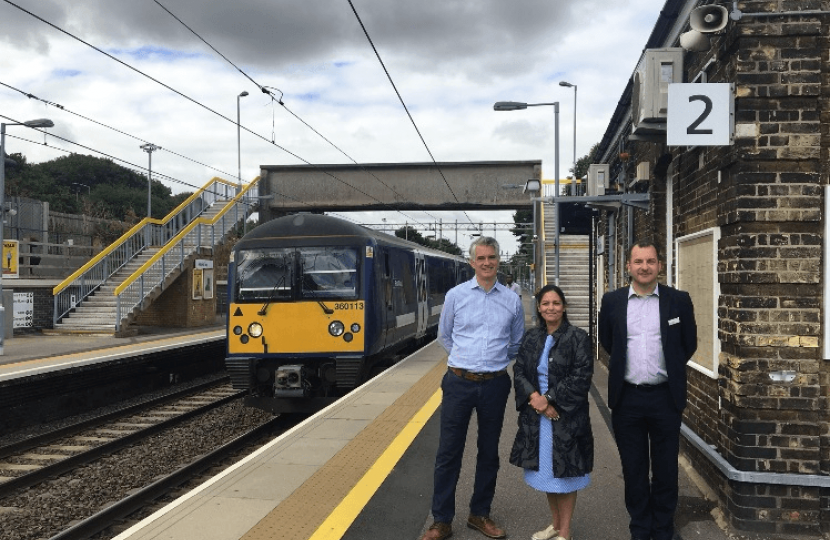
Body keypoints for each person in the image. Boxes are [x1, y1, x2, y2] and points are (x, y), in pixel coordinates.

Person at [420, 236, 525, 540]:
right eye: (481, 258)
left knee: (489, 452)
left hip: (494, 384)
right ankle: (441, 520)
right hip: (458, 382)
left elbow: (515, 344)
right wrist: (465, 362)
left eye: (492, 257)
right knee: (448, 452)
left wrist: (492, 362)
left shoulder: (511, 300)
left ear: (498, 260)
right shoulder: (456, 296)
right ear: (472, 262)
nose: (487, 263)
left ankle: (479, 514)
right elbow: (445, 336)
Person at [598, 242, 697, 540]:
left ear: (659, 265)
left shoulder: (678, 300)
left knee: (666, 469)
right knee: (634, 469)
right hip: (627, 399)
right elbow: (608, 342)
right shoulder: (613, 301)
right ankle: (640, 527)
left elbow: (687, 344)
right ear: (628, 266)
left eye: (650, 261)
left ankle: (663, 527)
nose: (644, 266)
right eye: (638, 261)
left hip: (665, 398)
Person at [511, 284, 594, 540]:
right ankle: (555, 525)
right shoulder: (532, 337)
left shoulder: (578, 337)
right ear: (539, 307)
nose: (551, 308)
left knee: (566, 475)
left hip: (566, 417)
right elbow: (520, 371)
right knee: (548, 474)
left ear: (564, 307)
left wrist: (548, 400)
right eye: (545, 303)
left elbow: (581, 377)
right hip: (538, 418)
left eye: (556, 303)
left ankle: (565, 533)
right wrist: (535, 398)